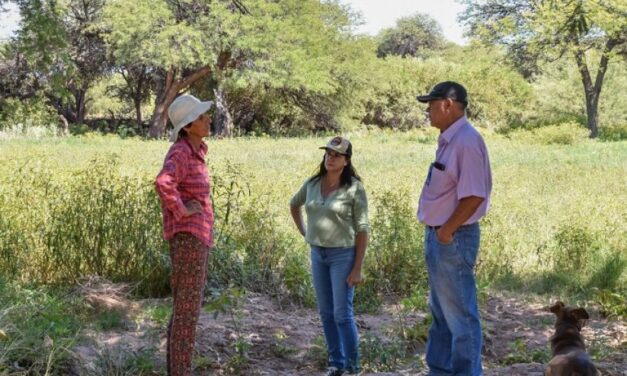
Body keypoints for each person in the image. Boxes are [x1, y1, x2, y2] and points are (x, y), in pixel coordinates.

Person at [416, 81, 492, 376]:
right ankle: (440, 371)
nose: (427, 110)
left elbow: (474, 195)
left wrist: (446, 232)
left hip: (453, 238)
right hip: (442, 236)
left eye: (431, 104)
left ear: (447, 104)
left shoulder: (467, 141)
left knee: (460, 318)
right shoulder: (451, 139)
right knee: (442, 315)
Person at [289, 137, 369, 376]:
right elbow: (294, 204)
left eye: (336, 155)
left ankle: (353, 367)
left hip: (343, 255)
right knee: (325, 313)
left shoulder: (354, 187)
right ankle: (336, 363)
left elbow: (363, 228)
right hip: (318, 254)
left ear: (346, 161)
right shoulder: (313, 183)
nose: (330, 158)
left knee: (342, 314)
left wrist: (357, 267)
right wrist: (306, 232)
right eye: (328, 153)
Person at [154, 94, 215, 376]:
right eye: (202, 117)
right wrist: (182, 209)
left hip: (195, 238)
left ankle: (177, 370)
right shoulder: (181, 152)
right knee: (187, 312)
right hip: (189, 238)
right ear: (189, 125)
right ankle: (181, 371)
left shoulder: (193, 151)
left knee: (184, 309)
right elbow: (164, 182)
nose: (208, 120)